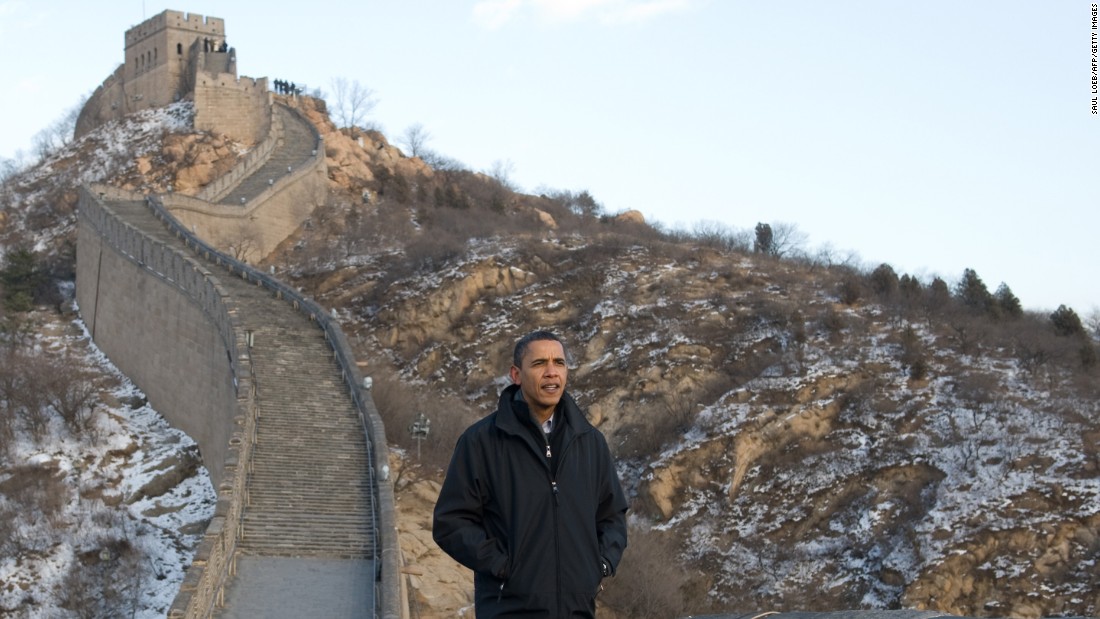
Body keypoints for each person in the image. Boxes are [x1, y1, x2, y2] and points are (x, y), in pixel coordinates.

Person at [433, 330, 629, 618]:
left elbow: (612, 516)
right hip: (509, 610)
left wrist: (599, 565)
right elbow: (450, 522)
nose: (551, 373)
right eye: (539, 364)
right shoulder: (481, 442)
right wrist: (503, 567)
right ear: (516, 374)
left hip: (577, 610)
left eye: (559, 363)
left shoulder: (589, 442)